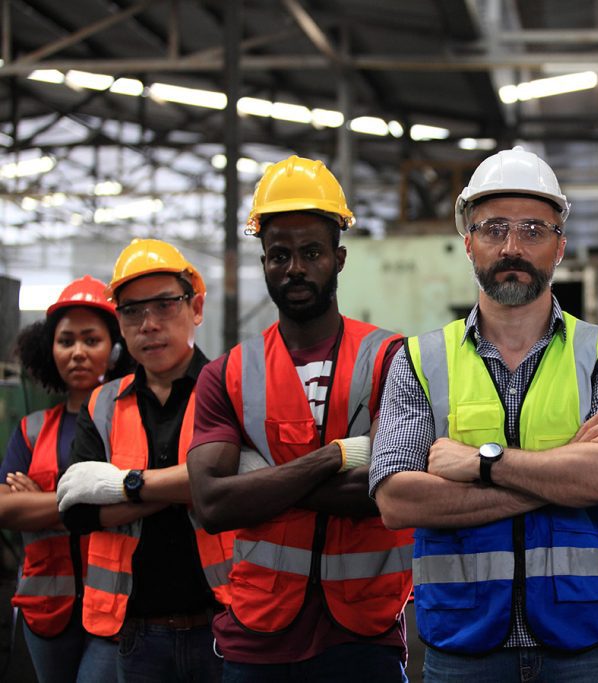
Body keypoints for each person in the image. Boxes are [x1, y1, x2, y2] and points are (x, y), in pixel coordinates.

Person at [371, 146, 598, 682]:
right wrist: (567, 466)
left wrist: (482, 462)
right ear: (468, 241)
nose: (512, 247)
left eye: (532, 230)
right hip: (463, 645)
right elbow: (396, 498)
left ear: (560, 246)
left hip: (583, 645)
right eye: (494, 228)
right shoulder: (419, 359)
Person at [186, 155, 414, 682]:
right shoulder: (227, 374)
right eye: (278, 255)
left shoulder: (391, 359)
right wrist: (334, 458)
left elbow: (383, 491)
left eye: (311, 252)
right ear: (263, 261)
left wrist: (258, 478)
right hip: (258, 635)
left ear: (338, 258)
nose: (294, 268)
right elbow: (211, 505)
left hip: (365, 632)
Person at [55, 239, 233, 682]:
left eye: (164, 305)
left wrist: (124, 485)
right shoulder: (102, 405)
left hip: (223, 623)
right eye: (133, 311)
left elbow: (232, 486)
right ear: (120, 321)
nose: (149, 324)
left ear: (196, 307)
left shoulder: (231, 390)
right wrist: (185, 487)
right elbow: (79, 512)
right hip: (134, 634)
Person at [0, 276, 133, 683]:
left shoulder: (130, 425)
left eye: (90, 340)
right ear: (50, 349)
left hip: (115, 609)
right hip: (45, 608)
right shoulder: (33, 430)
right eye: (66, 340)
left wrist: (39, 502)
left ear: (113, 350)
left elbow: (135, 498)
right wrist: (93, 500)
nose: (77, 352)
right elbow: (5, 508)